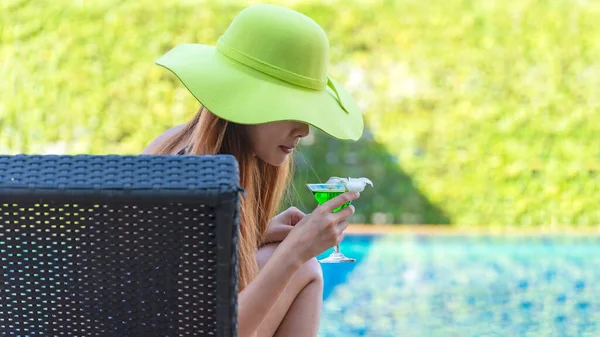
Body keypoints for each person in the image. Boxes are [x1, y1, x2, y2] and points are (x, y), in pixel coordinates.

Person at [144, 4, 364, 337]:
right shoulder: (197, 182)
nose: (304, 129)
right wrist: (294, 251)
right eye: (294, 108)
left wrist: (257, 236)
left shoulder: (178, 146)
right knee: (303, 267)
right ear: (249, 101)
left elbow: (181, 273)